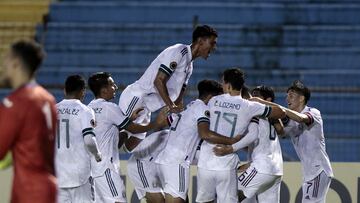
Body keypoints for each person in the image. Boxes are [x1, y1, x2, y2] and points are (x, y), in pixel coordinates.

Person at [196, 68, 286, 203]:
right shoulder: (250, 107)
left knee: (208, 200)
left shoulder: (213, 101)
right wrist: (259, 102)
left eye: (222, 82)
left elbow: (203, 125)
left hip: (208, 159)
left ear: (228, 85)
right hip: (235, 164)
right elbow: (280, 113)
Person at [118, 25, 218, 142]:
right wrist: (172, 106)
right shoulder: (179, 51)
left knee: (133, 145)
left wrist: (181, 115)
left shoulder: (189, 66)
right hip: (137, 98)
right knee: (118, 134)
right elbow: (158, 81)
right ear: (200, 41)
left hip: (147, 108)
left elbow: (178, 99)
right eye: (212, 43)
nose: (214, 47)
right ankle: (100, 157)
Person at [155, 79, 246, 203]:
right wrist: (232, 141)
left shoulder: (189, 107)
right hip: (177, 163)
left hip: (164, 161)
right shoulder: (202, 109)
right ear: (210, 97)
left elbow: (161, 124)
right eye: (218, 98)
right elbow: (205, 134)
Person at [87, 72, 166, 203]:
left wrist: (128, 119)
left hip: (92, 170)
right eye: (112, 84)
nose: (116, 87)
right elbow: (132, 129)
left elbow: (106, 131)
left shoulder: (89, 108)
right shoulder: (109, 108)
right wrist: (156, 123)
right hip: (106, 169)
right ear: (104, 90)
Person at [253, 80, 334, 203]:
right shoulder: (292, 121)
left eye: (291, 95)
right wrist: (269, 112)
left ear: (301, 98)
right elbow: (281, 132)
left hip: (318, 169)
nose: (287, 99)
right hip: (310, 172)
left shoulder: (313, 112)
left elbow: (301, 118)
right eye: (287, 95)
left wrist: (263, 102)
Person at [0, 40, 57, 203]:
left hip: (28, 190)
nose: (3, 65)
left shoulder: (16, 102)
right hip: (48, 187)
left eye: (6, 59)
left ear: (16, 63)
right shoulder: (48, 99)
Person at [214, 85, 284, 203]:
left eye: (256, 95)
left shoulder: (252, 112)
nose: (253, 98)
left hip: (262, 167)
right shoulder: (271, 117)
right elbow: (280, 131)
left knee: (230, 196)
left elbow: (252, 136)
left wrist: (230, 148)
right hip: (276, 170)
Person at [55, 75, 102, 202]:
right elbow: (89, 140)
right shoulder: (85, 111)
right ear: (83, 91)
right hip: (80, 175)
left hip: (58, 176)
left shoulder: (53, 110)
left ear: (65, 90)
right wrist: (97, 155)